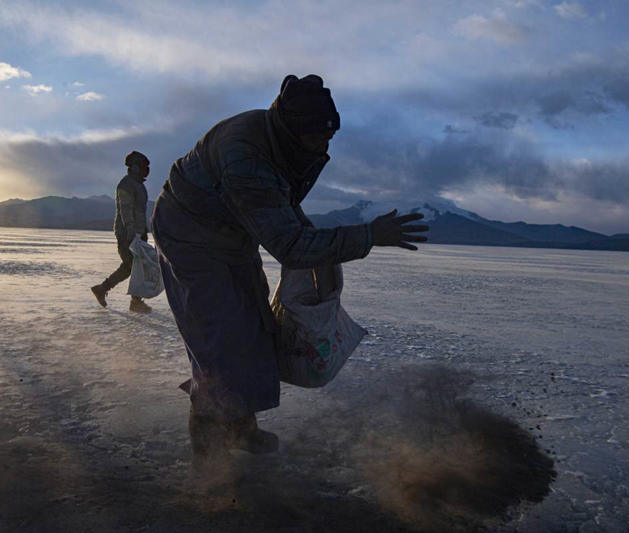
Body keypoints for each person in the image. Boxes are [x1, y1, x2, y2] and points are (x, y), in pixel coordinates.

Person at [152, 74, 428, 460]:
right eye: (316, 138)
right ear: (290, 127)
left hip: (232, 230)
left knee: (253, 322)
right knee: (218, 332)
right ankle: (209, 453)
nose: (323, 145)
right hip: (189, 232)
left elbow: (282, 202)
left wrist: (323, 243)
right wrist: (367, 235)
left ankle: (242, 429)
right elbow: (290, 246)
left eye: (329, 137)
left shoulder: (291, 142)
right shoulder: (245, 155)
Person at [91, 151, 153, 313]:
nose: (146, 170)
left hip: (139, 232)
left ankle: (103, 289)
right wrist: (131, 231)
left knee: (133, 266)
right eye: (143, 167)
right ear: (134, 168)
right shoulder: (126, 185)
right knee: (133, 266)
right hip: (127, 233)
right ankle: (135, 302)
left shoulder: (139, 185)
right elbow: (125, 209)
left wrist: (143, 230)